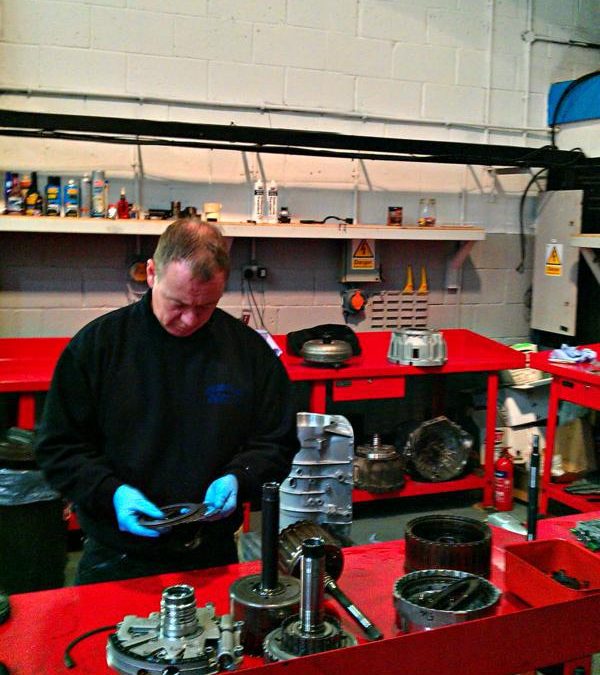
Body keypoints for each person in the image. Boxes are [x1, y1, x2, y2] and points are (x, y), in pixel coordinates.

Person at [35, 218, 299, 584]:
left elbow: (276, 441)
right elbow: (58, 448)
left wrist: (240, 478)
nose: (189, 319)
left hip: (211, 554)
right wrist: (111, 493)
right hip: (117, 557)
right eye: (177, 303)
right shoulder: (98, 348)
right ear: (151, 273)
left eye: (205, 306)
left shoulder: (248, 353)